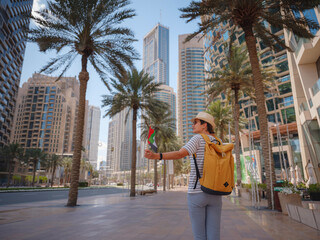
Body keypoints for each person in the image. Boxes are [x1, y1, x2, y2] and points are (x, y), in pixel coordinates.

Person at [144, 112, 222, 240]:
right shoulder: (219, 141)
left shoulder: (198, 139)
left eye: (196, 122)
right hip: (216, 193)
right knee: (214, 235)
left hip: (197, 192)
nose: (192, 125)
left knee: (199, 235)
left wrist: (157, 156)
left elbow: (180, 154)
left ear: (204, 125)